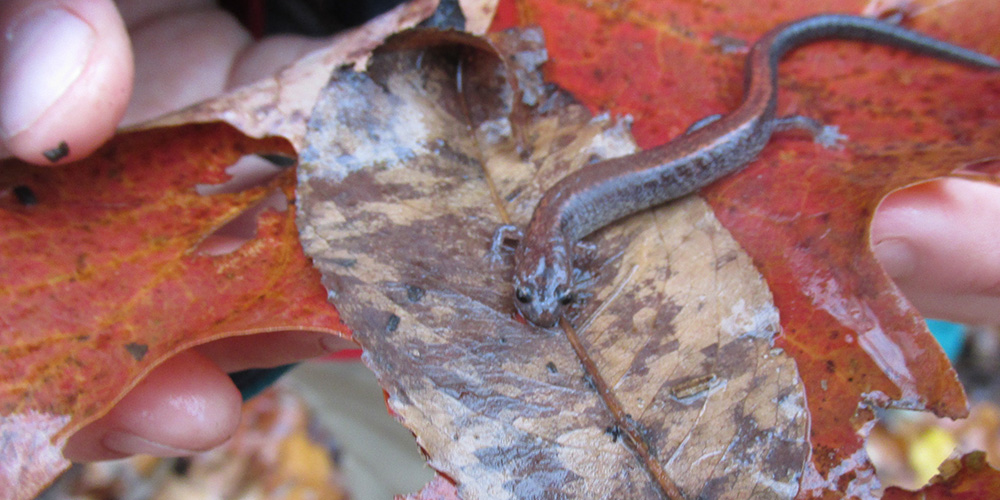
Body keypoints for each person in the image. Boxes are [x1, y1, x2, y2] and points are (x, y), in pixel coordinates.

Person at [2, 0, 998, 463]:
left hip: (728, 135)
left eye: (538, 289)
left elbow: (549, 254)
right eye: (537, 289)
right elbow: (538, 255)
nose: (538, 297)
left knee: (759, 119)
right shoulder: (545, 237)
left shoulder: (552, 235)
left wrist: (795, 128)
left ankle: (803, 100)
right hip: (682, 148)